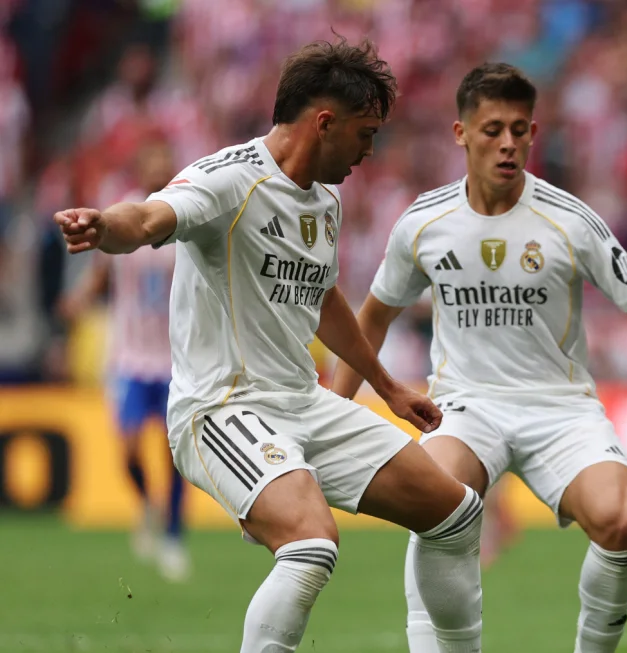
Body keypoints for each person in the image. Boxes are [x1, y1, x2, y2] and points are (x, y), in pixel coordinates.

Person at [53, 38, 485, 653]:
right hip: (220, 409)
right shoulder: (227, 181)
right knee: (312, 545)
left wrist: (386, 386)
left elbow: (323, 297)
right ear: (324, 122)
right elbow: (149, 220)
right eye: (365, 134)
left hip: (300, 403)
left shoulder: (326, 198)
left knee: (455, 515)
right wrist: (104, 227)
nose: (369, 151)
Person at [332, 62, 627, 653]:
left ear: (533, 133)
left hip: (559, 408)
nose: (508, 143)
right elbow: (374, 317)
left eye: (519, 129)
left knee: (620, 520)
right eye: (492, 130)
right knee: (433, 500)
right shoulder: (424, 223)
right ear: (462, 134)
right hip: (465, 406)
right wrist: (329, 413)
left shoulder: (570, 221)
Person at [59, 137, 190, 582]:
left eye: (165, 160)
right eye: (152, 160)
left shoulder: (184, 216)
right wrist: (79, 300)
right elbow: (102, 272)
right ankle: (148, 507)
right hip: (131, 356)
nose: (160, 169)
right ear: (141, 168)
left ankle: (173, 536)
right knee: (129, 448)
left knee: (176, 454)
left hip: (175, 358)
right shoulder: (125, 214)